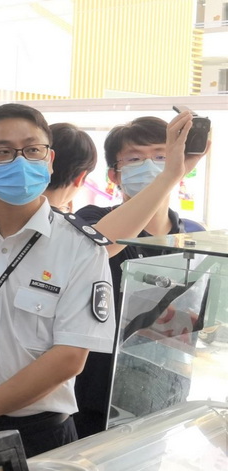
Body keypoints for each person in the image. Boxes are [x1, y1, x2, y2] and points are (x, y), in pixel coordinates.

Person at [0, 103, 116, 458]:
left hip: (38, 436)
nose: (20, 162)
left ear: (50, 160)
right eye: (2, 152)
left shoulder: (82, 248)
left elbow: (70, 356)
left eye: (33, 150)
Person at [70, 112, 210, 436]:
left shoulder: (193, 236)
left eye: (162, 156)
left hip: (162, 398)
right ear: (114, 175)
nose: (150, 165)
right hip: (94, 403)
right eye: (134, 159)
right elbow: (104, 245)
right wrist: (169, 175)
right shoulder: (92, 219)